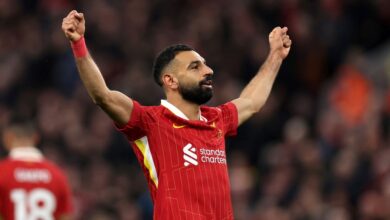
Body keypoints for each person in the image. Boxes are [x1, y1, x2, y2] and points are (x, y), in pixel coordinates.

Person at [62, 9, 291, 219]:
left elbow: (251, 102)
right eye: (195, 67)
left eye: (205, 64)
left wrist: (275, 57)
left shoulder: (217, 119)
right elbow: (103, 95)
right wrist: (78, 42)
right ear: (170, 80)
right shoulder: (150, 122)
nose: (208, 70)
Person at [0, 121, 73, 220]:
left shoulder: (3, 172)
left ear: (8, 138)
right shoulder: (57, 174)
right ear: (36, 138)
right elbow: (65, 217)